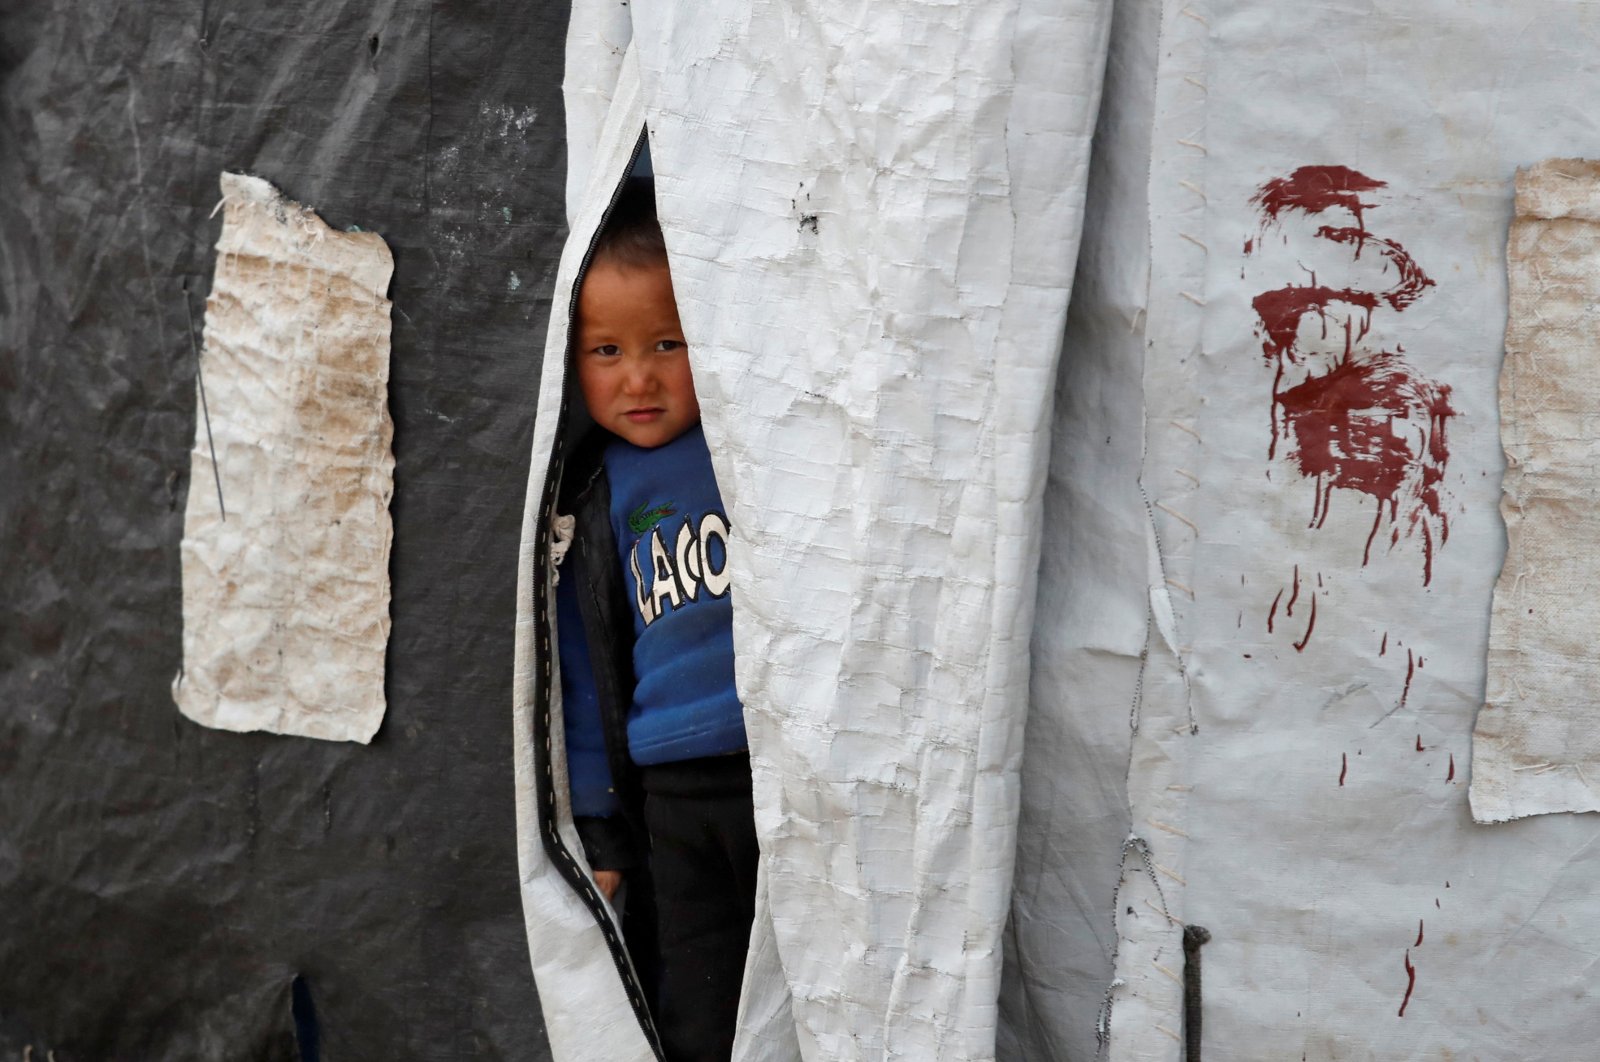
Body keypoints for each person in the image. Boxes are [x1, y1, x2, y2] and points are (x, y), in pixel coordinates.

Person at [553, 176, 757, 1062]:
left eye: (667, 342)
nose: (638, 377)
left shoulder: (751, 446)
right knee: (699, 1004)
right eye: (606, 352)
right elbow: (585, 680)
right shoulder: (591, 496)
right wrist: (601, 831)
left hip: (772, 771)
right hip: (669, 796)